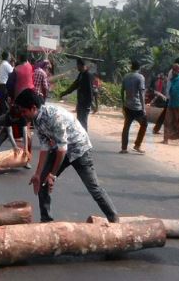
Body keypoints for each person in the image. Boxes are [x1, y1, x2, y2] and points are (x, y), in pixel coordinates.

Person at [15, 88, 119, 223]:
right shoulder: (37, 120)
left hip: (79, 149)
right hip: (60, 147)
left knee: (93, 188)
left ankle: (114, 219)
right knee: (42, 182)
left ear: (33, 108)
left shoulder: (54, 116)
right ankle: (46, 221)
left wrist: (53, 174)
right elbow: (45, 147)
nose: (23, 115)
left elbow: (62, 150)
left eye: (24, 111)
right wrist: (38, 174)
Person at [58, 58, 94, 132]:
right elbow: (74, 85)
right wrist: (64, 93)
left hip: (85, 104)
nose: (77, 67)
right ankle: (80, 140)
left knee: (83, 123)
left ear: (81, 65)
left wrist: (90, 104)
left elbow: (90, 91)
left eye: (77, 65)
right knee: (79, 123)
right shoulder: (81, 74)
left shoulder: (88, 76)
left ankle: (84, 140)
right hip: (80, 103)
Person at [120, 60, 147, 154]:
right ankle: (137, 145)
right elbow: (141, 94)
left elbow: (122, 91)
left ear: (131, 67)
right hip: (137, 106)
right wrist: (144, 108)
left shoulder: (126, 76)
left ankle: (124, 148)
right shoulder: (140, 77)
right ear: (139, 68)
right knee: (144, 125)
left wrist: (123, 103)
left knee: (126, 127)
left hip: (127, 105)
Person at [163, 64, 179, 144]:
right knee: (167, 121)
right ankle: (165, 139)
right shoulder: (172, 80)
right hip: (171, 104)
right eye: (173, 70)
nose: (173, 72)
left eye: (175, 70)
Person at [0, 51, 13, 116]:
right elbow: (13, 74)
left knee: (2, 104)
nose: (10, 57)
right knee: (5, 104)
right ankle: (4, 121)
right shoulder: (7, 65)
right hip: (5, 86)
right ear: (7, 57)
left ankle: (0, 120)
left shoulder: (2, 64)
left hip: (1, 86)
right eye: (9, 56)